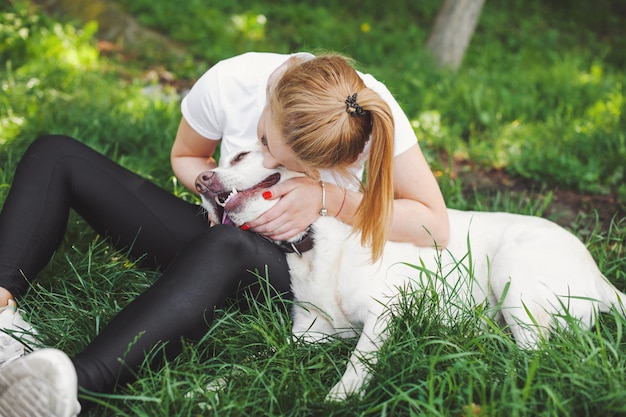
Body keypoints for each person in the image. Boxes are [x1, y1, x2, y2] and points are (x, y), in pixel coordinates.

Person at [0, 51, 449, 415]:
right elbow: (185, 155)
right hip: (220, 229)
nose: (270, 164)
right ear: (271, 100)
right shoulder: (231, 81)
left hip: (300, 273)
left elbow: (434, 224)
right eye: (271, 147)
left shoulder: (365, 112)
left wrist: (328, 198)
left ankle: (69, 389)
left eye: (295, 167)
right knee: (57, 155)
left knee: (228, 245)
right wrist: (214, 194)